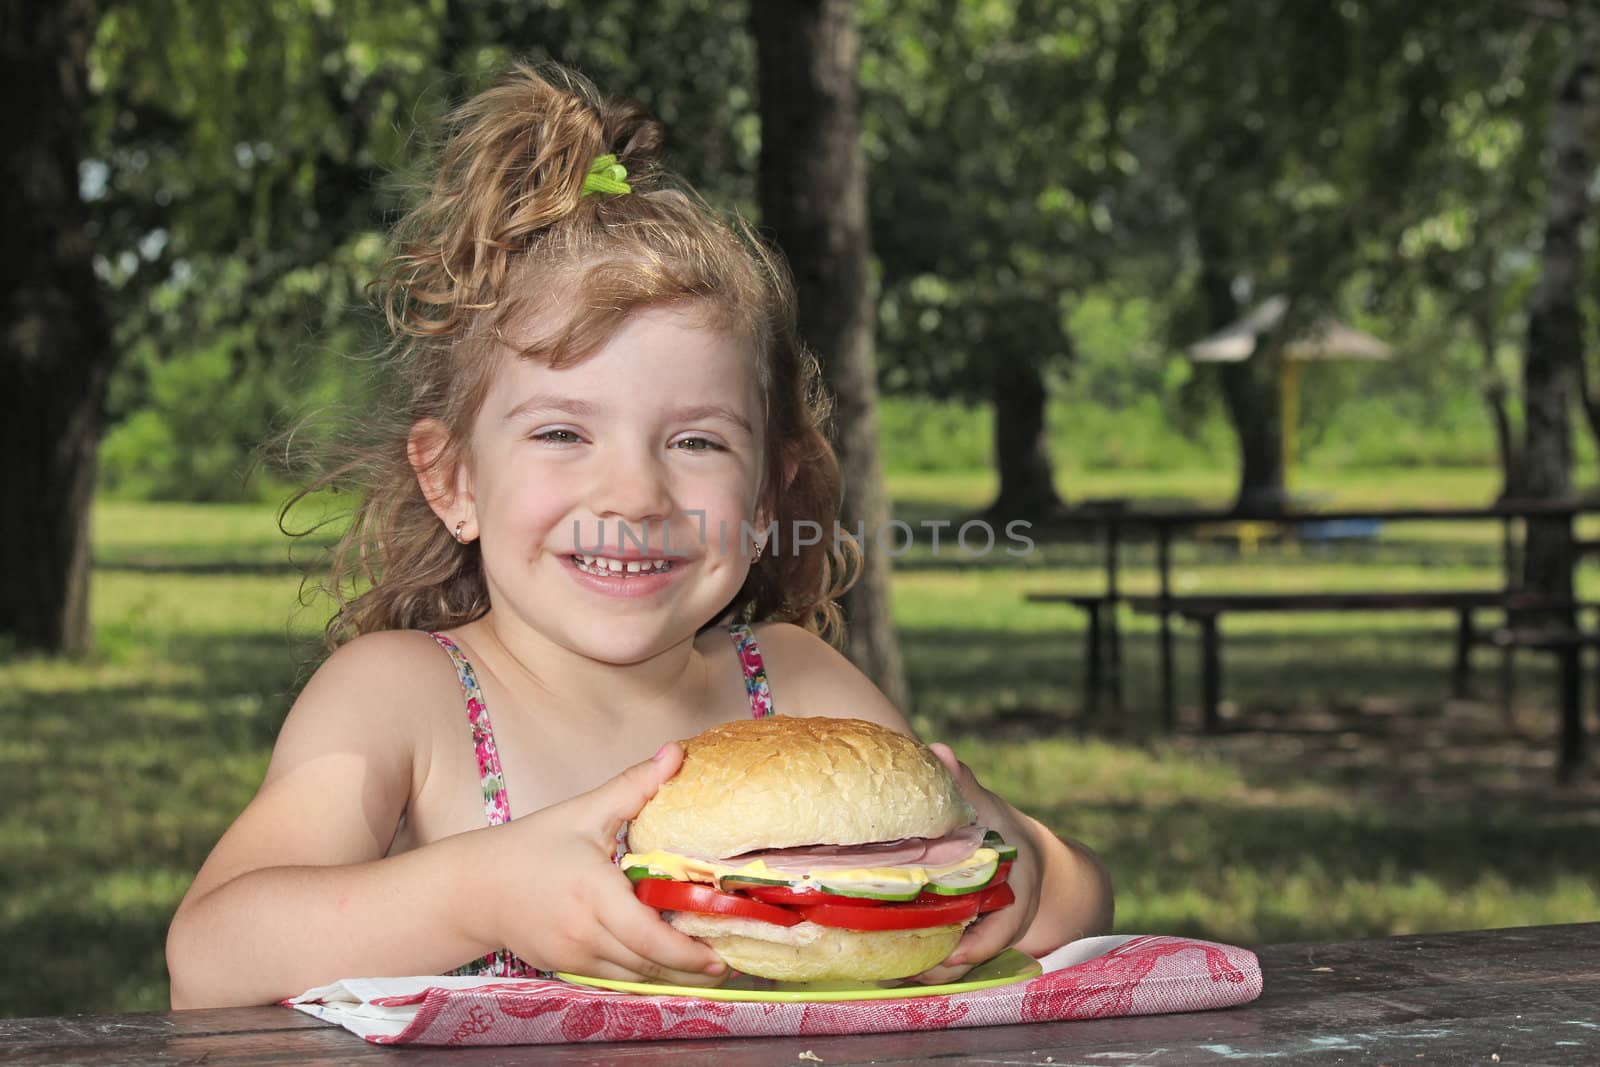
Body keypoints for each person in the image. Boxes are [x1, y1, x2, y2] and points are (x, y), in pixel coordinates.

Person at [165, 62, 1113, 1010]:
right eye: (562, 433)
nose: (634, 493)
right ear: (454, 479)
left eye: (696, 440)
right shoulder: (403, 699)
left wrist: (1016, 862)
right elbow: (208, 959)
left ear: (769, 490)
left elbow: (1082, 901)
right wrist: (481, 888)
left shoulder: (797, 687)